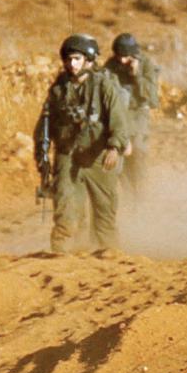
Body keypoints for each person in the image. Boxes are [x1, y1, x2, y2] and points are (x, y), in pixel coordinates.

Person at [34, 35, 129, 252]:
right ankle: (62, 255)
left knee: (104, 215)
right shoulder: (58, 89)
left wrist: (114, 146)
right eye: (68, 59)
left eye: (76, 59)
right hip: (68, 156)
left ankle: (108, 258)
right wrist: (42, 154)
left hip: (98, 157)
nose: (71, 64)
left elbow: (118, 119)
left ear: (89, 60)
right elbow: (44, 125)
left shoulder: (104, 85)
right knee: (66, 212)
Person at [103, 33, 160, 198]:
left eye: (126, 57)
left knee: (137, 153)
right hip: (118, 113)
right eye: (119, 56)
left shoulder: (146, 65)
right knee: (119, 155)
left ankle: (140, 194)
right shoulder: (111, 65)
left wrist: (137, 75)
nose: (122, 61)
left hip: (137, 115)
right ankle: (128, 194)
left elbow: (153, 99)